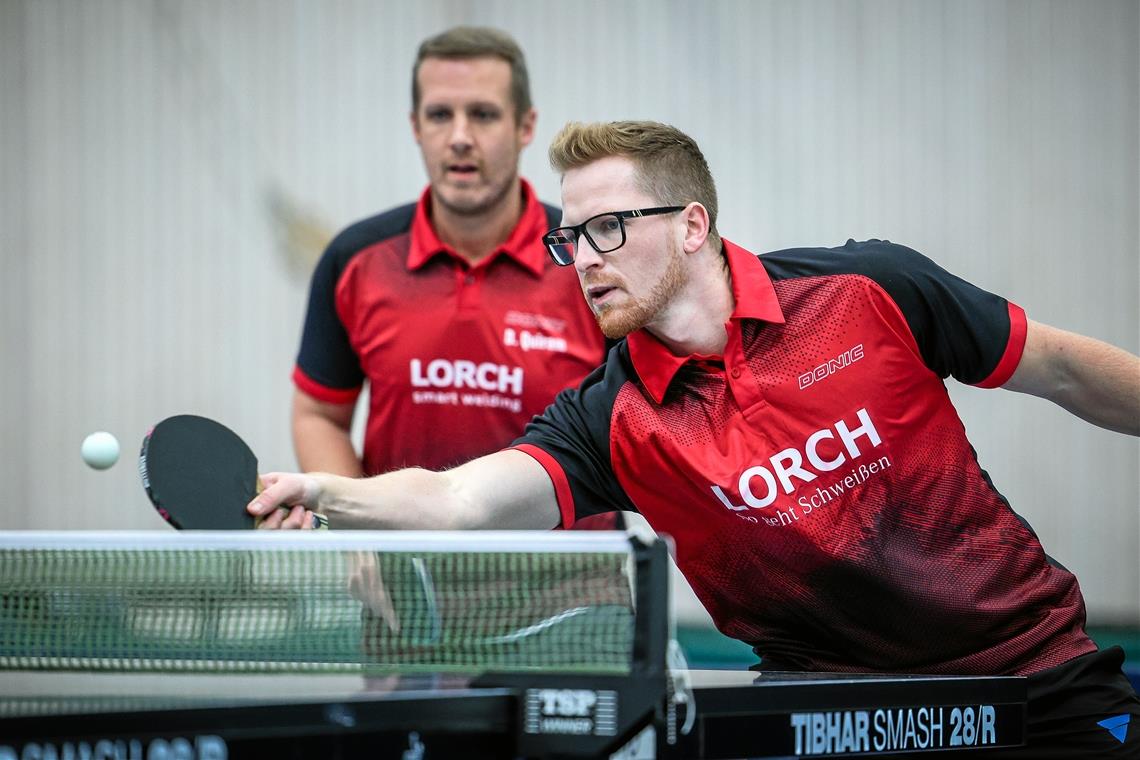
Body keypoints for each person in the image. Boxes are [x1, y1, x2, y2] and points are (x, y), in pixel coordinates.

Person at [256, 120, 1140, 756]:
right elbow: (459, 499)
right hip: (830, 715)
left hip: (1037, 678)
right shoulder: (611, 417)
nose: (586, 259)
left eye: (608, 228)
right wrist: (324, 492)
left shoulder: (868, 290)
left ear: (691, 226)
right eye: (571, 239)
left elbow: (1064, 370)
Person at [290, 26, 611, 496]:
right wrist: (349, 533)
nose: (460, 137)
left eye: (483, 114)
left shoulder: (588, 256)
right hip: (402, 566)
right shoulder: (355, 260)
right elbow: (319, 415)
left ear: (525, 126)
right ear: (416, 126)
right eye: (440, 115)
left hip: (572, 568)